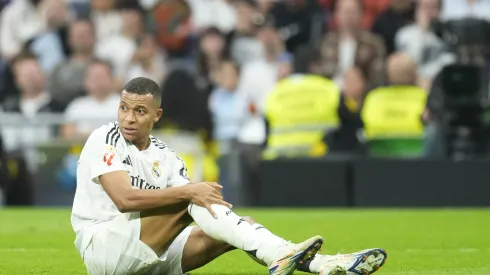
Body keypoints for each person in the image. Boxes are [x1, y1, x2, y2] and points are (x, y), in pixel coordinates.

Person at [70, 77, 387, 275]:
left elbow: (194, 201)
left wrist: (200, 197)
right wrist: (192, 193)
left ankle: (324, 265)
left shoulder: (165, 156)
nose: (129, 118)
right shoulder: (105, 138)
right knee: (191, 195)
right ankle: (282, 254)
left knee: (241, 226)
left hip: (149, 256)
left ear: (157, 115)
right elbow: (125, 200)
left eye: (139, 111)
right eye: (124, 108)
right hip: (103, 250)